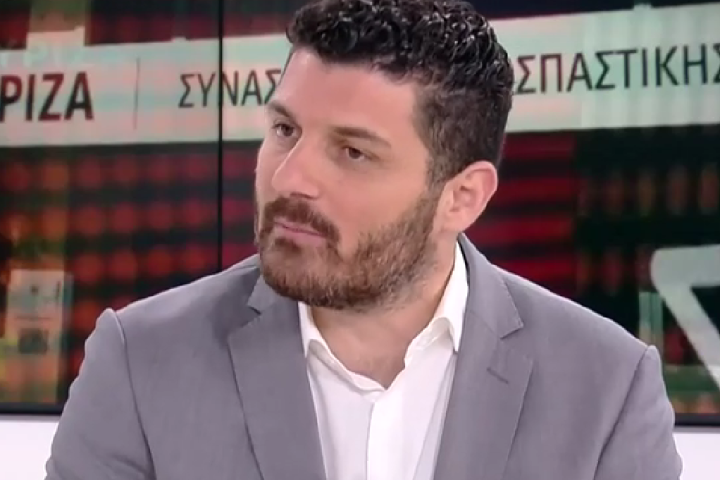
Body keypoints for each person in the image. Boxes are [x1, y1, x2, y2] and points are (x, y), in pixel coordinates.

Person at [45, 0, 682, 479]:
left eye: (353, 152)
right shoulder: (141, 363)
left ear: (462, 197)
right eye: (285, 130)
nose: (289, 178)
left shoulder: (607, 390)